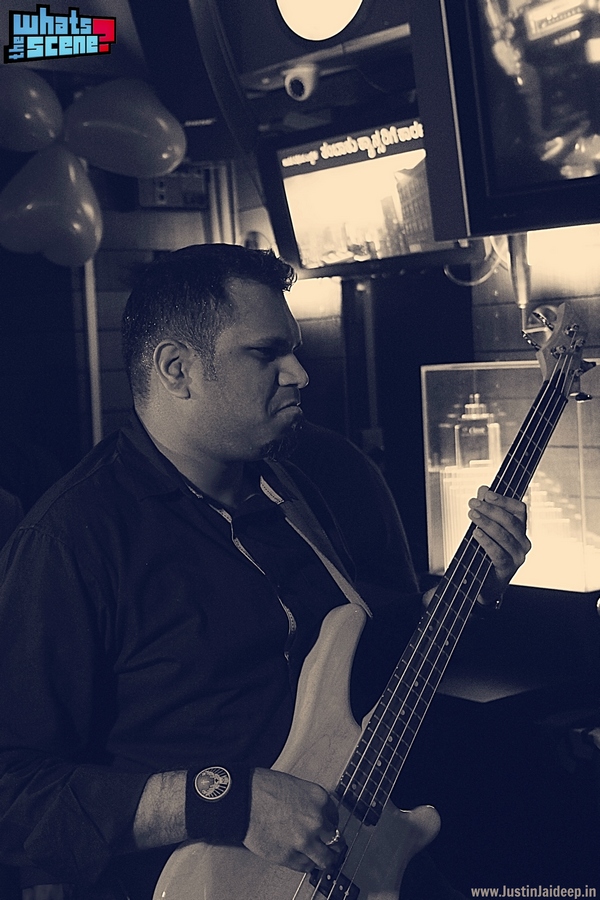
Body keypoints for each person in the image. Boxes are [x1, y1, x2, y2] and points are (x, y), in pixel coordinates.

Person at [0, 244, 531, 900]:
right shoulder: (72, 539)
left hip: (361, 865)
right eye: (266, 353)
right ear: (176, 369)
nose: (299, 374)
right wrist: (226, 800)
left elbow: (362, 667)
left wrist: (469, 591)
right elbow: (13, 789)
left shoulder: (300, 486)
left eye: (295, 350)